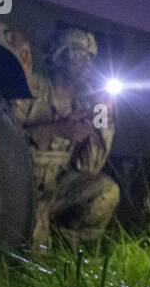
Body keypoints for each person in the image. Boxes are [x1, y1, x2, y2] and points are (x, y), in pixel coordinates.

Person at [14, 27, 120, 248]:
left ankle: (65, 244)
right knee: (33, 250)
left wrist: (104, 113)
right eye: (79, 56)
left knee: (106, 191)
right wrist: (55, 129)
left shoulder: (82, 106)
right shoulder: (30, 88)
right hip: (21, 185)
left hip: (56, 188)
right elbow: (2, 143)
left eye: (90, 58)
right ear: (59, 56)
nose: (87, 65)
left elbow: (90, 167)